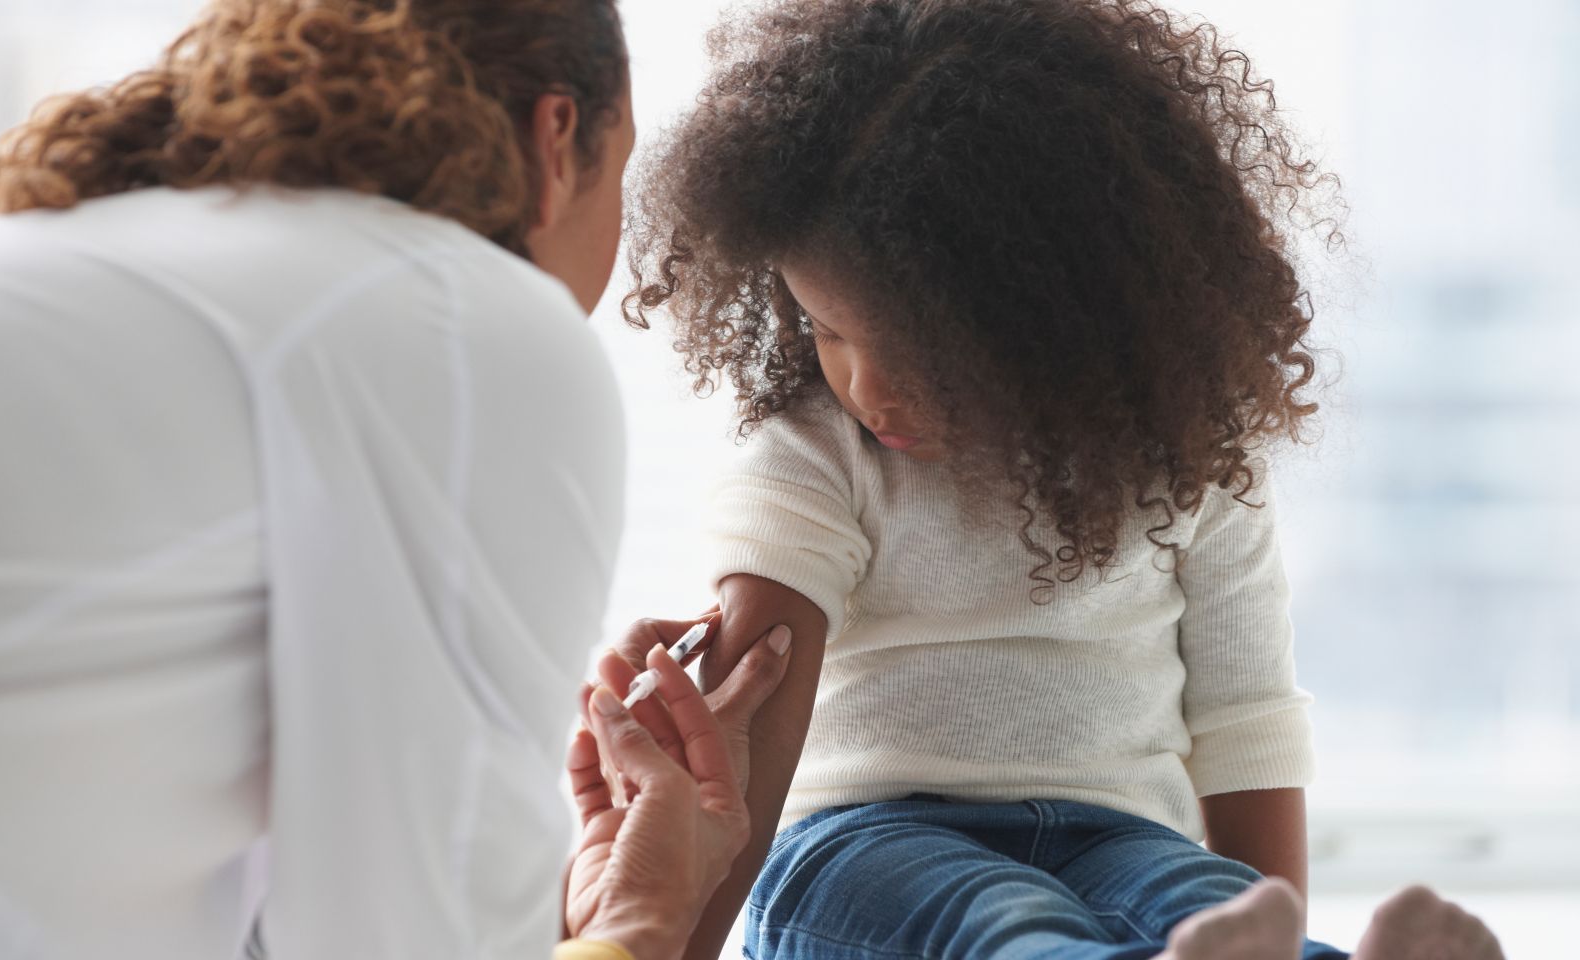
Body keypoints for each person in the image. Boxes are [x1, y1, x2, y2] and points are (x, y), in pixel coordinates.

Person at [619, 0, 1507, 958]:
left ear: (1051, 314)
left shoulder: (1188, 456)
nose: (865, 387)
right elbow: (748, 731)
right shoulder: (810, 457)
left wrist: (1269, 922)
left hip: (1119, 834)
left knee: (1196, 894)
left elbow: (1246, 720)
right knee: (1005, 923)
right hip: (868, 843)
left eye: (915, 349)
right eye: (827, 330)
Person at [0, 1, 773, 958]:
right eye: (627, 166)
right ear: (556, 140)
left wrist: (547, 924)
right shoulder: (460, 322)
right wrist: (649, 918)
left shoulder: (129, 272)